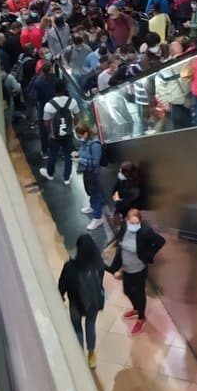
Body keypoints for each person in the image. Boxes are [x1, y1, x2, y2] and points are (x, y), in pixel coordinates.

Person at [106, 207, 165, 336]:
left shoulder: (145, 231)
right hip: (126, 268)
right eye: (131, 223)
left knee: (139, 294)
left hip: (139, 269)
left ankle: (141, 317)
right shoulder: (123, 227)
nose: (134, 225)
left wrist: (148, 255)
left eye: (136, 223)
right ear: (127, 221)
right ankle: (136, 308)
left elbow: (160, 241)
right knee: (127, 291)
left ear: (140, 222)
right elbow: (120, 244)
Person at [58, 233, 105, 368]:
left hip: (75, 303)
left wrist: (61, 295)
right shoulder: (99, 265)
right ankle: (91, 356)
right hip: (93, 303)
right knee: (90, 326)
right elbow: (99, 283)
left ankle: (79, 354)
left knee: (77, 327)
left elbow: (62, 284)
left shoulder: (70, 267)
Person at [40, 79, 80, 184]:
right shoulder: (72, 101)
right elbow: (77, 117)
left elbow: (46, 122)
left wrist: (50, 132)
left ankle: (50, 174)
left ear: (55, 90)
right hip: (68, 134)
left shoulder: (49, 105)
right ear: (65, 89)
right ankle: (67, 178)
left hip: (55, 136)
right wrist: (72, 127)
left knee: (52, 154)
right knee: (68, 155)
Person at [73, 122, 106, 231]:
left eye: (79, 135)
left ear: (86, 133)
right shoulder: (86, 142)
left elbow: (96, 162)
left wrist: (81, 160)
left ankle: (98, 217)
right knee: (91, 191)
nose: (78, 138)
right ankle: (92, 207)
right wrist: (77, 153)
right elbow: (84, 152)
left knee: (95, 193)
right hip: (87, 171)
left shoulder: (95, 145)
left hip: (93, 173)